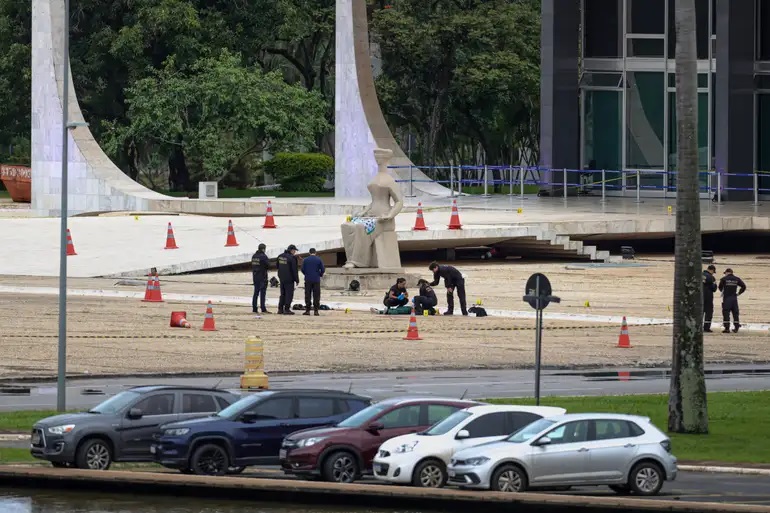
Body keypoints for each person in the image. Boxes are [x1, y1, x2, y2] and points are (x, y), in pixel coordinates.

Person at [718, 268, 747, 333]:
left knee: (726, 312)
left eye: (725, 273)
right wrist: (739, 293)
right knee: (735, 313)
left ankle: (727, 328)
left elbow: (720, 287)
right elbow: (744, 286)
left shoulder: (723, 279)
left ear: (727, 272)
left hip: (727, 298)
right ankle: (736, 327)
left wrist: (724, 292)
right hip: (734, 298)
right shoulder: (737, 279)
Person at [301, 248, 325, 316]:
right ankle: (316, 311)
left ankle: (307, 310)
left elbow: (302, 269)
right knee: (316, 295)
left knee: (308, 294)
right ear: (315, 252)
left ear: (309, 253)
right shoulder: (319, 259)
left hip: (308, 279)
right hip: (316, 279)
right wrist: (319, 274)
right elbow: (323, 269)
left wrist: (307, 274)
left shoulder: (305, 260)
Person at [277, 244, 300, 315]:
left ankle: (280, 309)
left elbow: (277, 266)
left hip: (282, 278)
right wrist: (297, 280)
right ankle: (287, 309)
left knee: (282, 294)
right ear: (292, 250)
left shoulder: (280, 256)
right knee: (289, 294)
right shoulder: (292, 258)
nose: (295, 252)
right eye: (294, 251)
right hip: (289, 279)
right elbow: (294, 270)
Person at [251, 243, 270, 314]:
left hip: (255, 276)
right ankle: (263, 308)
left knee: (255, 293)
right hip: (262, 276)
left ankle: (254, 308)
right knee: (262, 293)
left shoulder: (254, 256)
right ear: (263, 249)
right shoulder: (263, 256)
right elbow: (268, 265)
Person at [702, 265, 717, 332]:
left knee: (699, 313)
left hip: (698, 297)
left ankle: (697, 327)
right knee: (708, 312)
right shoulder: (711, 277)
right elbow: (714, 288)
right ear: (712, 270)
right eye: (713, 272)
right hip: (708, 297)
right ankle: (706, 327)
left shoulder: (698, 275)